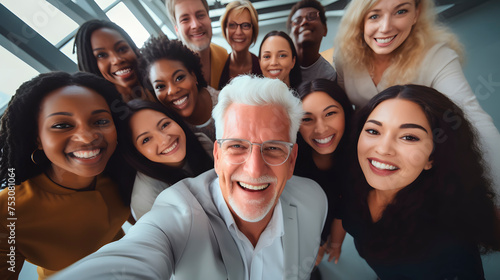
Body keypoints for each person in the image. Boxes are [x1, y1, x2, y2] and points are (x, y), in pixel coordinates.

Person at [51, 75, 327, 280]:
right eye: (237, 146)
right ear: (217, 156)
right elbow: (141, 249)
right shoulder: (175, 214)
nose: (254, 170)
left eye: (273, 149)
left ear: (292, 161)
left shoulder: (314, 200)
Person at [334, 0, 500, 199]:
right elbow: (343, 109)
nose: (386, 27)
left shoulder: (435, 57)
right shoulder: (345, 55)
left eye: (401, 11)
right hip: (366, 157)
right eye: (374, 15)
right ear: (360, 20)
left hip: (413, 166)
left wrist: (497, 197)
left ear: (416, 13)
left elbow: (474, 118)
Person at [342, 84, 500, 279]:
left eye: (409, 137)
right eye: (374, 131)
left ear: (432, 157)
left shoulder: (449, 246)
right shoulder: (350, 183)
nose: (383, 149)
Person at [0, 72, 134, 280]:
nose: (87, 137)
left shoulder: (121, 170)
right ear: (38, 139)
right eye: (62, 125)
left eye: (100, 121)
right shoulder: (7, 211)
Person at [119, 99, 213, 220]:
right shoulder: (147, 200)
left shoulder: (202, 143)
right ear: (136, 152)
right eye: (146, 139)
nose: (164, 140)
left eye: (164, 125)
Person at [294, 79, 353, 267]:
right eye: (307, 119)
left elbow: (343, 210)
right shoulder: (289, 163)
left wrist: (334, 243)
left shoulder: (360, 161)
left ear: (346, 112)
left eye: (330, 114)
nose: (321, 129)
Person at [139, 36, 219, 142]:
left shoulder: (229, 101)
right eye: (160, 86)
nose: (172, 90)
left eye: (179, 78)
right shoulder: (169, 132)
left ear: (193, 75)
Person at [74, 19, 155, 102]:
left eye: (122, 49)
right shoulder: (107, 112)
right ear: (91, 65)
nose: (117, 60)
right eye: (101, 55)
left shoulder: (163, 86)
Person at [165, 0, 228, 89]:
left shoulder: (223, 55)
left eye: (201, 15)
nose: (196, 25)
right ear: (176, 30)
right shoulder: (170, 70)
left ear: (209, 19)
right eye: (185, 19)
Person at [287, 0, 336, 82]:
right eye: (297, 20)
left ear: (325, 29)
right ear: (290, 35)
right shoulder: (279, 66)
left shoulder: (329, 76)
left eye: (312, 16)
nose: (304, 22)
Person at [218, 0, 262, 89]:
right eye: (232, 25)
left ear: (253, 30)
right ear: (225, 28)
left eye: (245, 25)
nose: (238, 32)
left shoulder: (262, 68)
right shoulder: (217, 67)